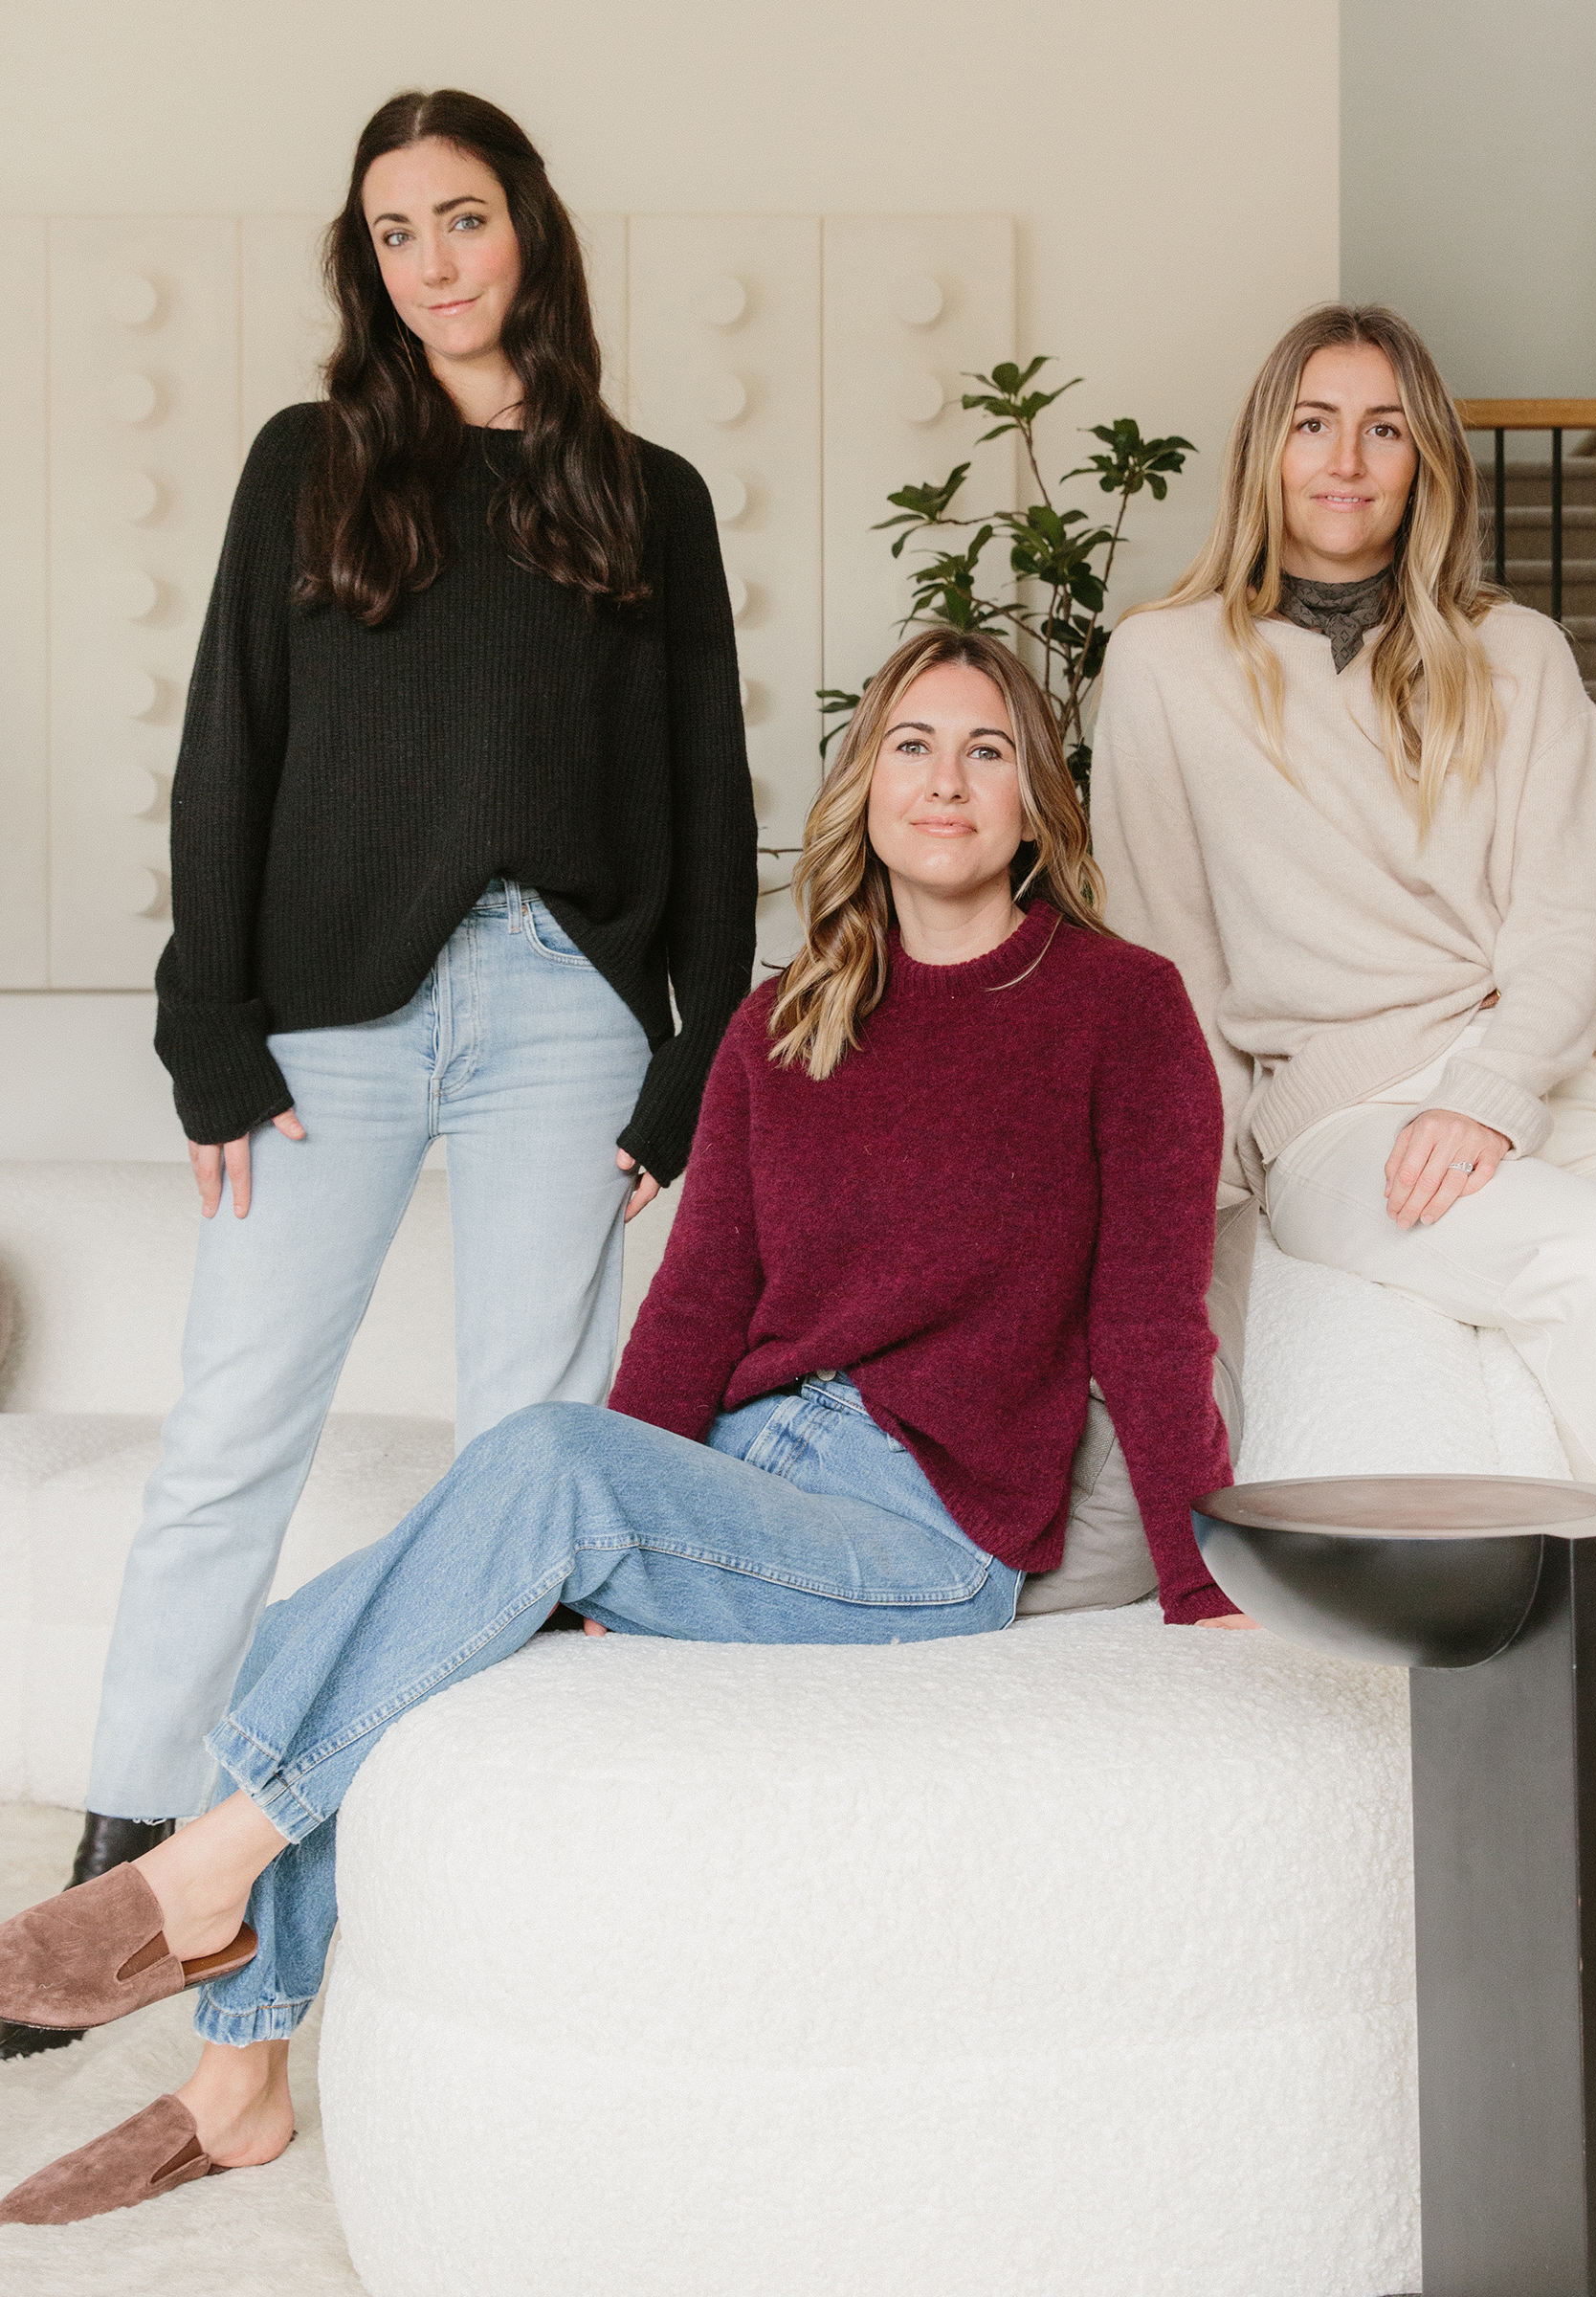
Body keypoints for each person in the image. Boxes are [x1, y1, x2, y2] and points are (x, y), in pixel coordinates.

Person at [0, 627, 1250, 2224]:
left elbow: (1155, 1318)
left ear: (1038, 803)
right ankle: (239, 2076)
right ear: (865, 784)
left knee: (539, 1457)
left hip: (924, 1535)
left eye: (990, 749)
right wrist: (572, 1578)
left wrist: (1208, 1585)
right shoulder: (782, 1021)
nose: (948, 779)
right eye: (916, 744)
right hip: (732, 1490)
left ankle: (195, 1874)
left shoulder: (1120, 1011)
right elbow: (691, 1317)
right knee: (331, 1604)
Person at [1090, 301, 1596, 2161]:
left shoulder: (1514, 659)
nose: (1346, 462)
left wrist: (1493, 1088)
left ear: (1426, 462)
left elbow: (1560, 934)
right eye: (1312, 422)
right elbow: (1166, 962)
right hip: (1337, 1122)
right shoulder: (1161, 669)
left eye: (1385, 429)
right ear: (1263, 449)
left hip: (1554, 1088)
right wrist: (1196, 1240)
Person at [5, 85, 760, 2065]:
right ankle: (135, 1862)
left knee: (526, 1454)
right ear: (368, 259)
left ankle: (443, 1850)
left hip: (567, 1011)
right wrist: (208, 1032)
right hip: (335, 1009)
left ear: (530, 232)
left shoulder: (643, 492)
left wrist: (692, 1067)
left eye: (466, 219)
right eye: (398, 230)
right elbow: (228, 753)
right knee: (228, 1437)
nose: (435, 260)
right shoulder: (306, 464)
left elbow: (710, 795)